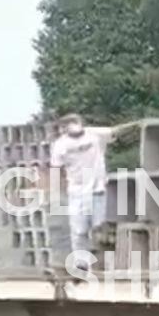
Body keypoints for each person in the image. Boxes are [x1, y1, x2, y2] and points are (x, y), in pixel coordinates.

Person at [48, 114, 136, 268]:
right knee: (79, 230)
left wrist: (137, 124)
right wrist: (57, 193)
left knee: (99, 228)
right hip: (77, 192)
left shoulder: (94, 134)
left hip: (98, 190)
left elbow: (115, 131)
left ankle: (103, 261)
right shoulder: (60, 145)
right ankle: (81, 264)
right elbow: (56, 169)